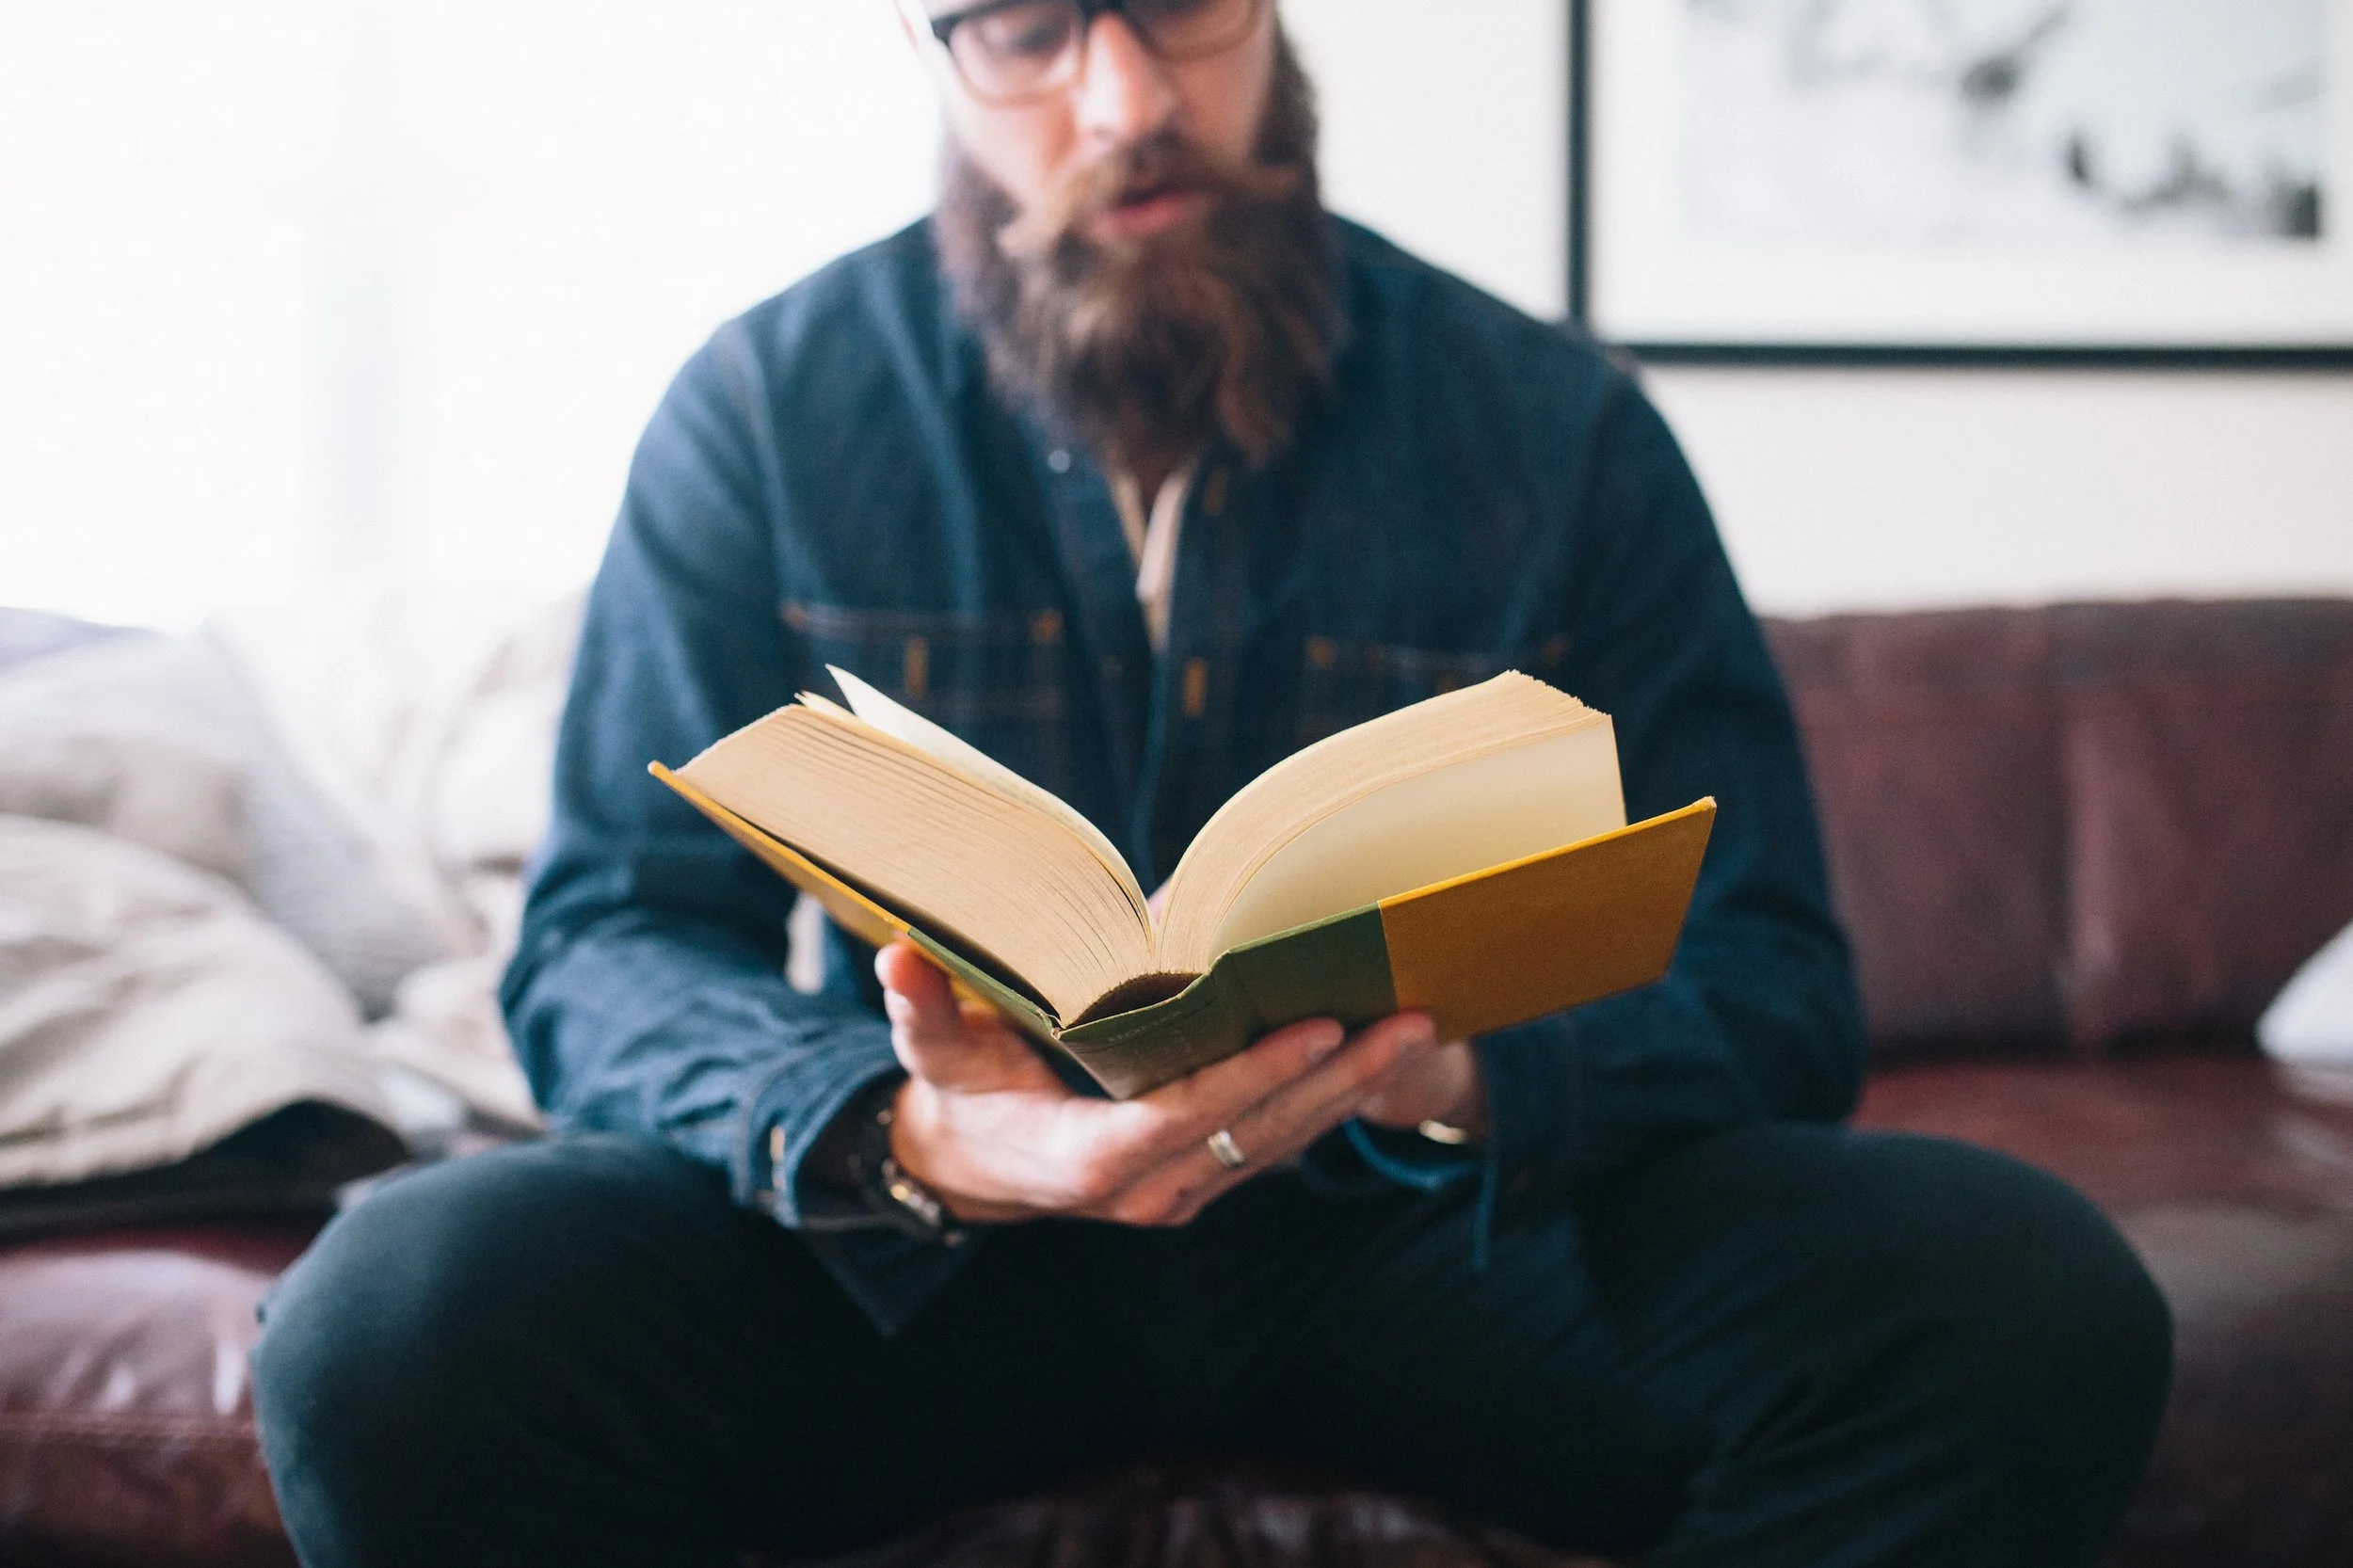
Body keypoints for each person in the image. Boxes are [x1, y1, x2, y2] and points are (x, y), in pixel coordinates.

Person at [250, 3, 2171, 1564]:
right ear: (937, 58)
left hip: (1419, 1242)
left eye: (1180, 6)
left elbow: (1770, 973)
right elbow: (600, 940)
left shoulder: (1554, 425)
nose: (1125, 95)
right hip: (938, 1257)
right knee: (398, 1319)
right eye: (1023, 27)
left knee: (2017, 1300)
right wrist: (904, 1137)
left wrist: (1458, 1072)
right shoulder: (762, 407)